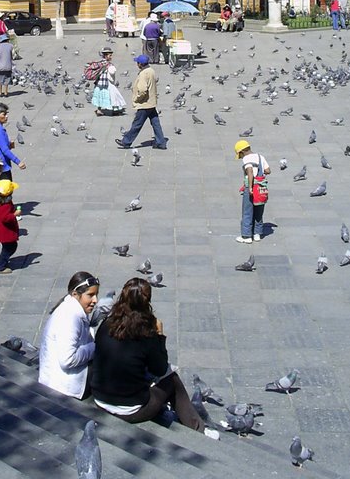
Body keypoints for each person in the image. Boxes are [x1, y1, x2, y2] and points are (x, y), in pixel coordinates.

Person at [91, 278, 218, 439]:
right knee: (172, 379)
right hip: (130, 410)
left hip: (100, 400)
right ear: (147, 303)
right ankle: (198, 429)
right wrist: (160, 335)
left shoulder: (106, 325)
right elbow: (160, 368)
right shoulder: (145, 334)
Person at [38, 271, 99, 398]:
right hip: (63, 387)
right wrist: (95, 347)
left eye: (96, 295)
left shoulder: (71, 310)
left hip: (59, 381)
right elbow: (68, 360)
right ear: (75, 295)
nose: (95, 300)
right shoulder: (69, 318)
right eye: (90, 295)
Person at [116, 56, 168, 150]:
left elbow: (143, 90)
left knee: (137, 123)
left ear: (140, 64)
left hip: (145, 103)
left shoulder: (143, 74)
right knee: (155, 123)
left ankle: (126, 141)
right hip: (152, 102)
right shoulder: (151, 70)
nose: (137, 64)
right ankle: (161, 142)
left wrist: (137, 98)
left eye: (137, 63)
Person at [234, 139, 270, 243]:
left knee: (247, 211)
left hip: (251, 187)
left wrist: (250, 187)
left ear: (242, 152)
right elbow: (268, 170)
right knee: (259, 211)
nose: (240, 157)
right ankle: (257, 234)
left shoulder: (246, 159)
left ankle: (246, 236)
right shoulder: (260, 156)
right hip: (261, 188)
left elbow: (250, 172)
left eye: (239, 155)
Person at [0, 102, 26, 178]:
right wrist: (18, 162)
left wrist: (7, 144)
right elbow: (5, 150)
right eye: (4, 114)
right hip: (2, 166)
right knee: (7, 188)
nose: (6, 116)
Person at [0, 178, 21, 274]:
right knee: (9, 247)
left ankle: (3, 261)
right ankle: (0, 266)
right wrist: (14, 214)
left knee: (9, 247)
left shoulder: (1, 202)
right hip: (5, 232)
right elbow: (5, 218)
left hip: (3, 231)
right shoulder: (6, 205)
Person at [91, 48, 126, 116]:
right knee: (112, 95)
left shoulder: (99, 62)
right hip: (106, 83)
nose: (111, 57)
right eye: (110, 55)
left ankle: (99, 110)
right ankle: (114, 109)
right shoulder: (108, 64)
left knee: (99, 96)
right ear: (106, 55)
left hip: (99, 83)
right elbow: (112, 72)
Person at [0, 32, 14, 97]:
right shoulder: (10, 46)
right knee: (7, 80)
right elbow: (12, 56)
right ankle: (6, 93)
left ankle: (0, 92)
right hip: (8, 66)